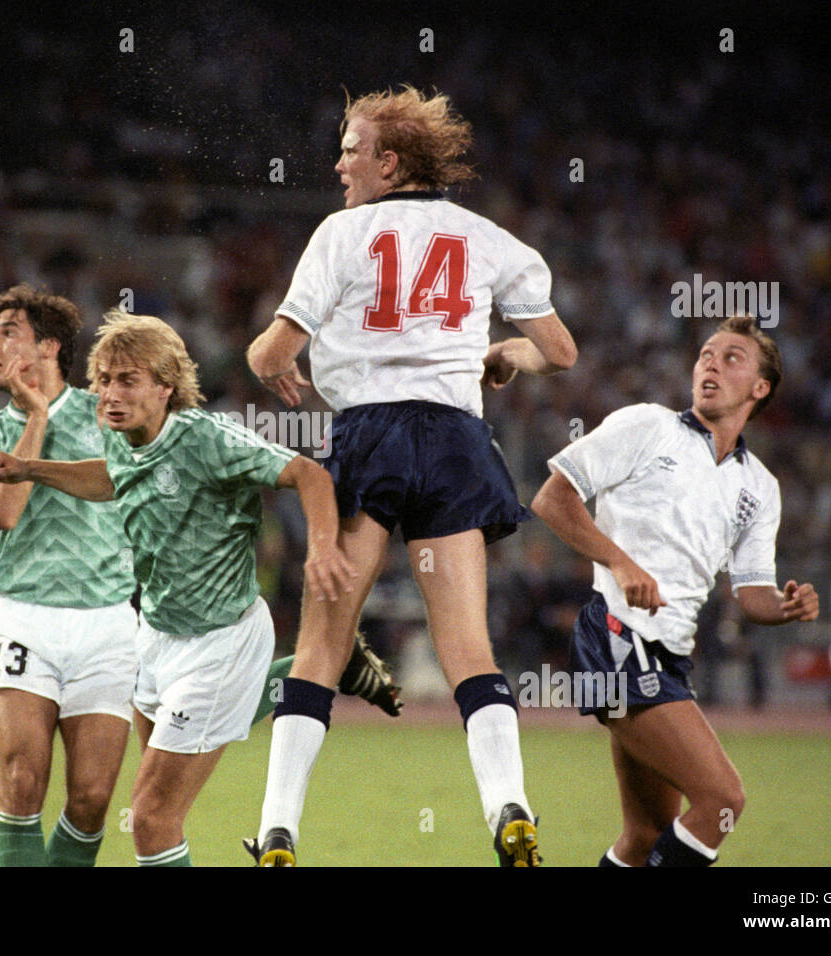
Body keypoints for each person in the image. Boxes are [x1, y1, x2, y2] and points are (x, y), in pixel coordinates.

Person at [245, 86, 576, 866]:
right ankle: (511, 807)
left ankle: (280, 830)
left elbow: (269, 352)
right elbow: (559, 351)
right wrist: (504, 355)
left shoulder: (343, 232)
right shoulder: (488, 237)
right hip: (456, 441)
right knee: (468, 645)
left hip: (368, 437)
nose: (339, 162)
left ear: (388, 163)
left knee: (323, 644)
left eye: (351, 148)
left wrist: (274, 370)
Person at [0, 311, 360, 866]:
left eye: (126, 380)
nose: (109, 393)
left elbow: (310, 475)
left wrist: (322, 546)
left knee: (150, 816)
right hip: (155, 638)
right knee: (157, 796)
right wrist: (32, 470)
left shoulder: (207, 438)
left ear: (165, 386)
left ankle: (314, 672)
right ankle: (318, 673)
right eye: (102, 380)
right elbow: (110, 478)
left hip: (218, 639)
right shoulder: (124, 440)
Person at [530, 316, 820, 866]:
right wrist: (619, 561)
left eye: (731, 357)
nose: (710, 362)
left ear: (760, 389)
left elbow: (751, 592)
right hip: (616, 637)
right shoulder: (647, 426)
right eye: (706, 353)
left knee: (644, 838)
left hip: (668, 657)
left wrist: (785, 607)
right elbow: (552, 499)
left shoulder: (759, 486)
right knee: (723, 800)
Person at [0, 284, 139, 866]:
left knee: (91, 799)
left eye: (7, 333)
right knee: (20, 779)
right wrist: (35, 416)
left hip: (108, 623)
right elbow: (4, 514)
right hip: (25, 617)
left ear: (50, 346)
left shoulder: (108, 417)